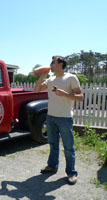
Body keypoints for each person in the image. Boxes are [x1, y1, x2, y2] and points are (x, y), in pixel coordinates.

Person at [34, 56, 84, 185]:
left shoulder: (71, 78)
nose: (50, 64)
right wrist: (42, 76)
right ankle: (52, 166)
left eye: (53, 62)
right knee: (53, 144)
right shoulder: (51, 79)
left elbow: (80, 97)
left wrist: (65, 94)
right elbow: (36, 90)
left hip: (65, 118)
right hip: (51, 117)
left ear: (60, 64)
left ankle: (71, 173)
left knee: (68, 147)